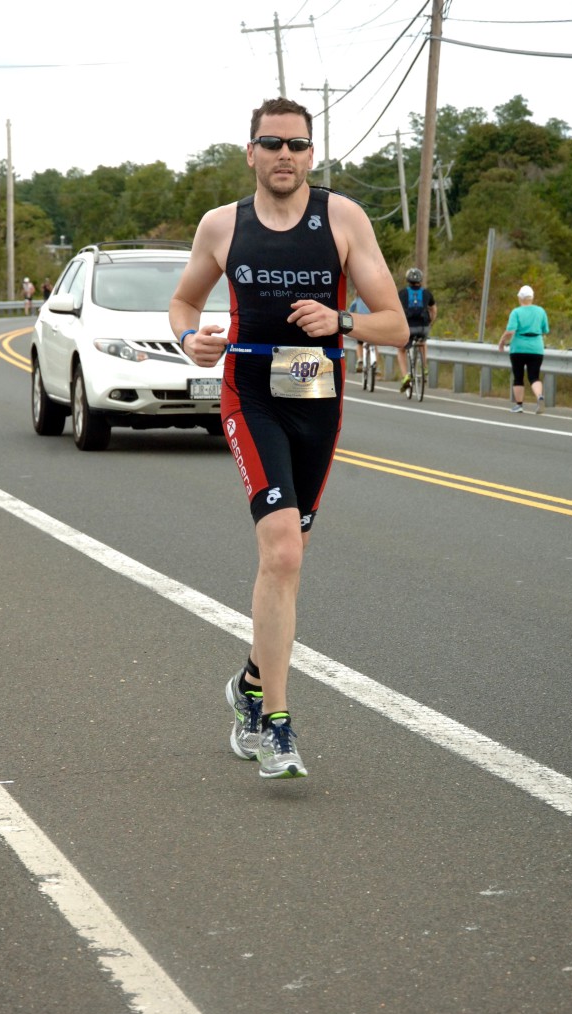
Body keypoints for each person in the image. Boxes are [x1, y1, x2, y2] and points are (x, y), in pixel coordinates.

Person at [169, 97, 408, 780]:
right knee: (279, 548)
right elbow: (184, 304)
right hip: (250, 393)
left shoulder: (343, 219)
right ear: (250, 152)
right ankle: (275, 724)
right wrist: (189, 340)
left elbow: (394, 325)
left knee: (292, 555)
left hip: (317, 397)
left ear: (311, 154)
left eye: (297, 145)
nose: (284, 155)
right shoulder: (222, 225)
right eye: (271, 143)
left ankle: (249, 682)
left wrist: (342, 321)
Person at [498, 284, 549, 413]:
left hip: (518, 348)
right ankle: (539, 396)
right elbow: (545, 329)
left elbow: (510, 331)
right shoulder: (541, 311)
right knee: (534, 376)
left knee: (518, 376)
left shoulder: (516, 312)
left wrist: (502, 341)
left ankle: (519, 405)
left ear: (520, 298)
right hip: (536, 348)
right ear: (532, 297)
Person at [396, 267, 437, 392]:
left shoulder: (402, 293)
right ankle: (424, 367)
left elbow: (397, 310)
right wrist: (430, 322)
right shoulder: (426, 293)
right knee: (422, 343)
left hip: (408, 328)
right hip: (423, 327)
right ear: (420, 280)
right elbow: (434, 309)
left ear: (408, 280)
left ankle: (405, 376)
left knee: (401, 350)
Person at [348, 295, 375, 374]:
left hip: (362, 323)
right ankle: (375, 362)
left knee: (359, 343)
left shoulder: (358, 299)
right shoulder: (373, 298)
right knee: (373, 344)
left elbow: (351, 310)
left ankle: (360, 359)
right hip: (372, 324)